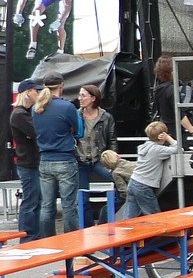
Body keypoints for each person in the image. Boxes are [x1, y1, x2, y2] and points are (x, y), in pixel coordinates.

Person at [31, 71, 82, 236]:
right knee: (69, 206)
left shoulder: (36, 108)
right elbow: (78, 131)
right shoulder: (67, 107)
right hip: (65, 159)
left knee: (47, 206)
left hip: (45, 160)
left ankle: (47, 241)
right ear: (62, 85)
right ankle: (71, 242)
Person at [121, 121, 178, 219]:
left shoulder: (145, 146)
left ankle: (126, 228)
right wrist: (169, 138)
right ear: (162, 136)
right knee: (153, 216)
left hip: (133, 181)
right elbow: (178, 149)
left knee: (130, 216)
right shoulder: (158, 150)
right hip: (144, 185)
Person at [10, 78, 43, 241]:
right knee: (31, 201)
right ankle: (28, 237)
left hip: (31, 162)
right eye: (37, 91)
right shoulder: (19, 114)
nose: (39, 94)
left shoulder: (26, 113)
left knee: (36, 200)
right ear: (27, 93)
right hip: (27, 163)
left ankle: (34, 235)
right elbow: (37, 132)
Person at [153, 56, 193, 147]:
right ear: (171, 72)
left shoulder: (158, 90)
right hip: (175, 131)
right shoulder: (172, 90)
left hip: (165, 129)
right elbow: (180, 114)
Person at [76, 84, 117, 191]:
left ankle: (118, 200)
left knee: (117, 177)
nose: (79, 98)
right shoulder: (76, 115)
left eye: (83, 95)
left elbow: (112, 139)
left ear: (93, 98)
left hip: (99, 159)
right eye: (79, 95)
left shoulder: (106, 117)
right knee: (82, 193)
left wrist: (112, 158)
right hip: (80, 160)